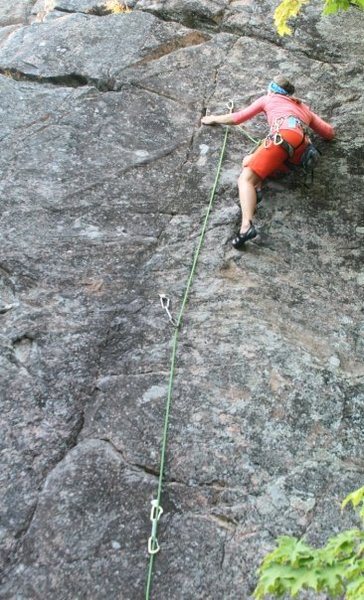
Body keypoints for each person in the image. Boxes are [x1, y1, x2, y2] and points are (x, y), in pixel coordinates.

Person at [201, 75, 335, 249]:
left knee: (245, 179)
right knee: (248, 161)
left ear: (272, 89)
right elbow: (329, 133)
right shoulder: (303, 107)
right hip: (299, 150)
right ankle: (257, 188)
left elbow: (239, 117)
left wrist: (213, 118)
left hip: (282, 138)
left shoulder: (269, 98)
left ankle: (246, 227)